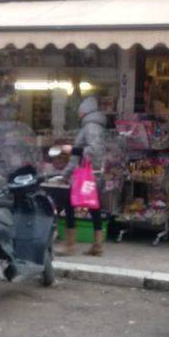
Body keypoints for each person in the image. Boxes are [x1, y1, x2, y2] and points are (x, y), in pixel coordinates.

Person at [58, 96, 106, 257]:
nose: (78, 114)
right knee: (94, 208)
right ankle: (97, 246)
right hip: (93, 174)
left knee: (69, 205)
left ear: (84, 111)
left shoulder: (90, 127)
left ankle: (69, 245)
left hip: (86, 176)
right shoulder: (94, 126)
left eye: (79, 111)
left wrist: (71, 149)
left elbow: (92, 151)